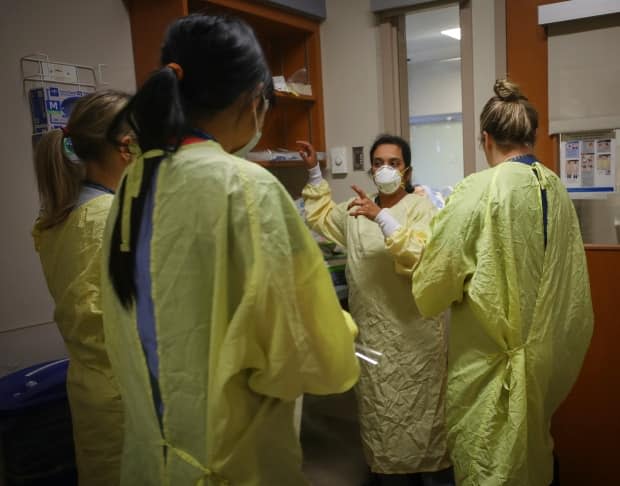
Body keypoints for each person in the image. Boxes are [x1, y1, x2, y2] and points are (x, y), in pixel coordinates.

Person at [101, 14, 360, 485]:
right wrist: (340, 326)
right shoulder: (243, 186)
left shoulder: (133, 183)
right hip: (231, 463)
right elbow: (312, 357)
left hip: (151, 462)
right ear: (252, 97)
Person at [412, 79, 594, 486]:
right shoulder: (556, 189)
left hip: (488, 371)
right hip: (546, 365)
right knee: (534, 454)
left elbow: (431, 288)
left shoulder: (480, 189)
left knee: (490, 461)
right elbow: (574, 296)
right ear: (530, 136)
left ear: (486, 138)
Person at [299, 135, 454, 485]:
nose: (385, 169)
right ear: (371, 168)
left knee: (425, 425)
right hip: (375, 339)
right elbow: (322, 217)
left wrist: (381, 217)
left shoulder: (420, 209)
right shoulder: (355, 211)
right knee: (382, 419)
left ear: (407, 170)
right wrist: (313, 171)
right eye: (379, 162)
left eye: (394, 163)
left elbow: (419, 255)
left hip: (417, 341)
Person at [32, 89, 132, 485]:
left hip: (91, 389)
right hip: (126, 392)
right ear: (127, 147)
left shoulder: (57, 218)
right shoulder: (112, 217)